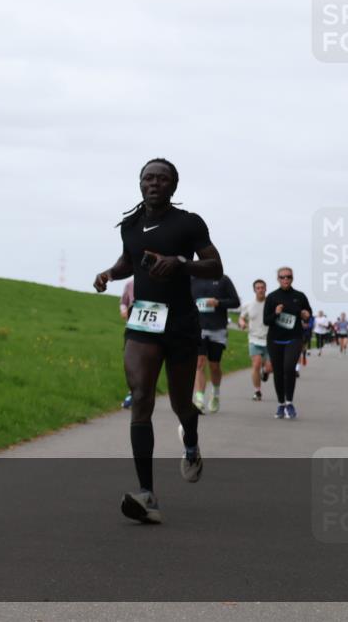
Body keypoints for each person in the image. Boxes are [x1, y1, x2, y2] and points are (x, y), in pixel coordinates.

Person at [94, 158, 224, 524]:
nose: (154, 183)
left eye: (162, 179)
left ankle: (191, 444)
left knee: (182, 403)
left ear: (173, 186)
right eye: (148, 178)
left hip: (181, 322)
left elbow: (215, 267)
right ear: (140, 183)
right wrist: (109, 273)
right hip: (144, 321)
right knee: (141, 398)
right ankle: (147, 494)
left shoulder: (189, 223)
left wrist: (181, 262)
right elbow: (128, 261)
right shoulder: (131, 224)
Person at [263, 267, 312, 420]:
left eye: (288, 277)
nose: (285, 279)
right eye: (282, 277)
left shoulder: (299, 296)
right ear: (278, 279)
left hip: (294, 337)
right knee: (277, 372)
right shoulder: (272, 297)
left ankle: (289, 402)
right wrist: (276, 313)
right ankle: (281, 404)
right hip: (275, 339)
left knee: (289, 368)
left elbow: (308, 315)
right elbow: (266, 320)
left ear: (292, 278)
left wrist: (305, 315)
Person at [190, 274, 240, 413]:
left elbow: (235, 302)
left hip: (217, 329)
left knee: (214, 365)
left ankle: (215, 393)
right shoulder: (192, 280)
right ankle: (199, 399)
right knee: (199, 363)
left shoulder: (223, 280)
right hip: (197, 328)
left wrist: (218, 303)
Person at [238, 279, 273, 401]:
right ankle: (257, 391)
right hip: (254, 339)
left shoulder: (271, 304)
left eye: (262, 287)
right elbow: (241, 318)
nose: (260, 290)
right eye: (258, 288)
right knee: (256, 364)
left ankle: (266, 372)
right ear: (254, 290)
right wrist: (242, 323)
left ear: (265, 289)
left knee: (270, 368)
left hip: (269, 340)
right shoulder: (248, 305)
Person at [119, 279, 135, 409]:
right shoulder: (130, 284)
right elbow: (123, 302)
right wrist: (123, 310)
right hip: (132, 328)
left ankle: (138, 392)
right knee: (131, 362)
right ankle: (132, 392)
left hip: (153, 331)